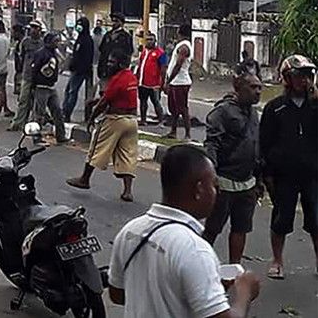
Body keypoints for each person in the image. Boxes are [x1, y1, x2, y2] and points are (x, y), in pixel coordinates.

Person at [107, 144, 260, 317]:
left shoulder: (130, 231)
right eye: (214, 186)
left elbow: (117, 294)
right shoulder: (194, 249)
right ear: (199, 189)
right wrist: (245, 292)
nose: (216, 193)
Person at [258, 54, 317, 280]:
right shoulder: (276, 108)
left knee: (316, 220)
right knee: (281, 219)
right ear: (287, 78)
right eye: (299, 76)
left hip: (312, 174)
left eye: (307, 76)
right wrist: (266, 173)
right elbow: (264, 142)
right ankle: (277, 260)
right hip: (284, 175)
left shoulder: (314, 106)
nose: (304, 80)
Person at [202, 66, 263, 264]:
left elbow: (257, 146)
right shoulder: (223, 112)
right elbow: (211, 144)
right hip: (224, 182)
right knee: (213, 228)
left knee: (241, 228)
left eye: (260, 88)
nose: (258, 92)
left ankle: (234, 269)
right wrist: (212, 177)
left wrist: (259, 180)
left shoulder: (253, 114)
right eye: (253, 87)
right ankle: (199, 263)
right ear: (239, 87)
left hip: (247, 184)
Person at [67, 49, 139, 201]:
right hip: (132, 121)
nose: (108, 64)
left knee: (97, 148)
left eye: (112, 62)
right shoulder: (131, 77)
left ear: (119, 64)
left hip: (115, 119)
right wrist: (96, 101)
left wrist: (91, 117)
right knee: (127, 154)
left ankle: (84, 179)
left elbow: (104, 103)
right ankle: (127, 191)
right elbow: (114, 96)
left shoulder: (117, 79)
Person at [30, 31, 68, 143]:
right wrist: (34, 85)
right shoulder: (41, 54)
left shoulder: (53, 53)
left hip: (51, 86)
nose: (57, 43)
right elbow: (35, 70)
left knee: (57, 111)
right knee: (39, 113)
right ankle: (36, 136)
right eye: (55, 41)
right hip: (42, 86)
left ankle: (61, 136)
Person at [10, 20, 43, 131]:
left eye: (35, 28)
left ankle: (35, 123)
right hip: (27, 75)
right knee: (23, 100)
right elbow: (21, 57)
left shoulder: (41, 44)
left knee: (37, 102)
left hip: (38, 77)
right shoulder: (25, 42)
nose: (32, 30)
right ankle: (18, 123)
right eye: (31, 28)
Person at [164, 24, 193, 140]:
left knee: (182, 108)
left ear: (179, 32)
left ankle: (187, 134)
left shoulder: (184, 47)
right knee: (174, 109)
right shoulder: (181, 46)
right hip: (175, 81)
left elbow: (178, 65)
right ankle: (173, 131)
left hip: (180, 81)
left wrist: (169, 80)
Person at [63, 16, 94, 123]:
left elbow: (86, 58)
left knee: (72, 92)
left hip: (80, 71)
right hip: (75, 70)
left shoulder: (87, 40)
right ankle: (65, 112)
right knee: (68, 91)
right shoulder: (80, 38)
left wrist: (79, 69)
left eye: (80, 25)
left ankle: (67, 113)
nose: (78, 27)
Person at [135, 32, 167, 126]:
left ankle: (161, 120)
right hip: (142, 82)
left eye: (151, 40)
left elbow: (163, 68)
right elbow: (140, 65)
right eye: (147, 40)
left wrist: (162, 82)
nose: (149, 42)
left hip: (154, 83)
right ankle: (143, 119)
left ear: (155, 41)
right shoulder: (144, 52)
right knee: (143, 101)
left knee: (156, 102)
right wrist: (137, 77)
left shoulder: (160, 53)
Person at [97, 13, 133, 88]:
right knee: (104, 93)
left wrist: (122, 66)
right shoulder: (107, 35)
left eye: (116, 21)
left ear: (122, 23)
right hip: (105, 70)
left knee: (116, 93)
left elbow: (129, 53)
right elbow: (101, 50)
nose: (114, 23)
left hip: (118, 71)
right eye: (113, 21)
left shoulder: (126, 36)